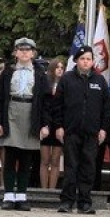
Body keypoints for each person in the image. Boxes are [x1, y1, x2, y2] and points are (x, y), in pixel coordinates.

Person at [0, 39, 52, 210]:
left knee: (26, 157)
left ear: (33, 53)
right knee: (9, 156)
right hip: (11, 112)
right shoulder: (8, 72)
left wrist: (45, 124)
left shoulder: (40, 74)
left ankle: (22, 196)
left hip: (31, 113)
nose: (24, 53)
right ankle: (8, 195)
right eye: (21, 50)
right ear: (15, 53)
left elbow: (47, 101)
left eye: (28, 50)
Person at [55, 45, 109, 214]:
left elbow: (106, 107)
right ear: (77, 61)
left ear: (93, 61)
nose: (86, 62)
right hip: (71, 130)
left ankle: (85, 202)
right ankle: (67, 201)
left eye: (89, 59)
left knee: (88, 167)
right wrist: (59, 126)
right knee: (71, 167)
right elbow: (58, 106)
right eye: (82, 59)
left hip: (92, 132)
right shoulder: (66, 79)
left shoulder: (100, 81)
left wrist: (103, 128)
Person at [40, 56, 66, 190]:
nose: (60, 70)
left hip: (59, 125)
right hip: (46, 124)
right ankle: (44, 189)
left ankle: (52, 189)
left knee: (55, 160)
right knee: (45, 160)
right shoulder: (46, 83)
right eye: (57, 67)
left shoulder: (65, 84)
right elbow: (43, 105)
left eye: (62, 68)